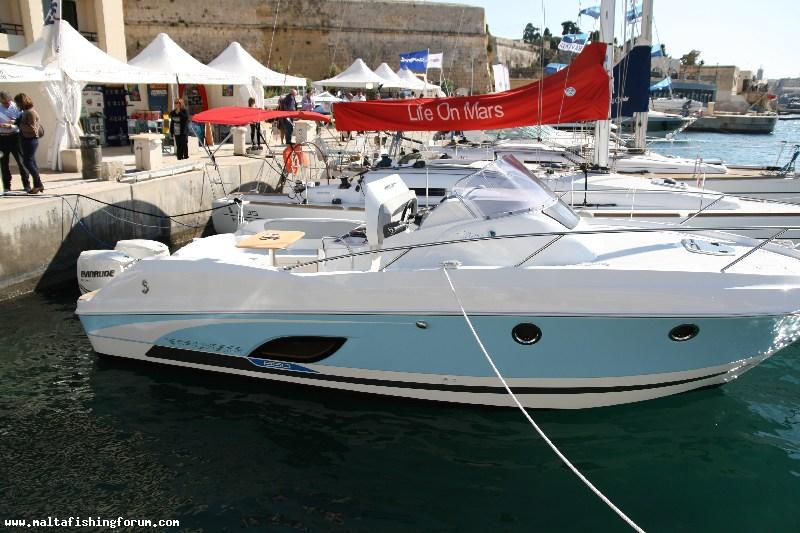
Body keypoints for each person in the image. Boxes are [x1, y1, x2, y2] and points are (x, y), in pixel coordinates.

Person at [13, 93, 44, 194]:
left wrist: (20, 124)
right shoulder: (26, 112)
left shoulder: (30, 112)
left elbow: (32, 129)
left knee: (27, 162)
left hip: (30, 140)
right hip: (27, 140)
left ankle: (38, 184)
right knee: (31, 163)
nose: (16, 105)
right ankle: (37, 185)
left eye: (17, 103)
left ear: (21, 102)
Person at [0, 91, 31, 194]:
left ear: (10, 99)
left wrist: (11, 126)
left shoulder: (16, 107)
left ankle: (26, 185)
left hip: (15, 137)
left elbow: (22, 122)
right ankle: (7, 187)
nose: (6, 104)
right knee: (4, 163)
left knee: (21, 162)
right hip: (2, 138)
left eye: (7, 102)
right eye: (3, 102)